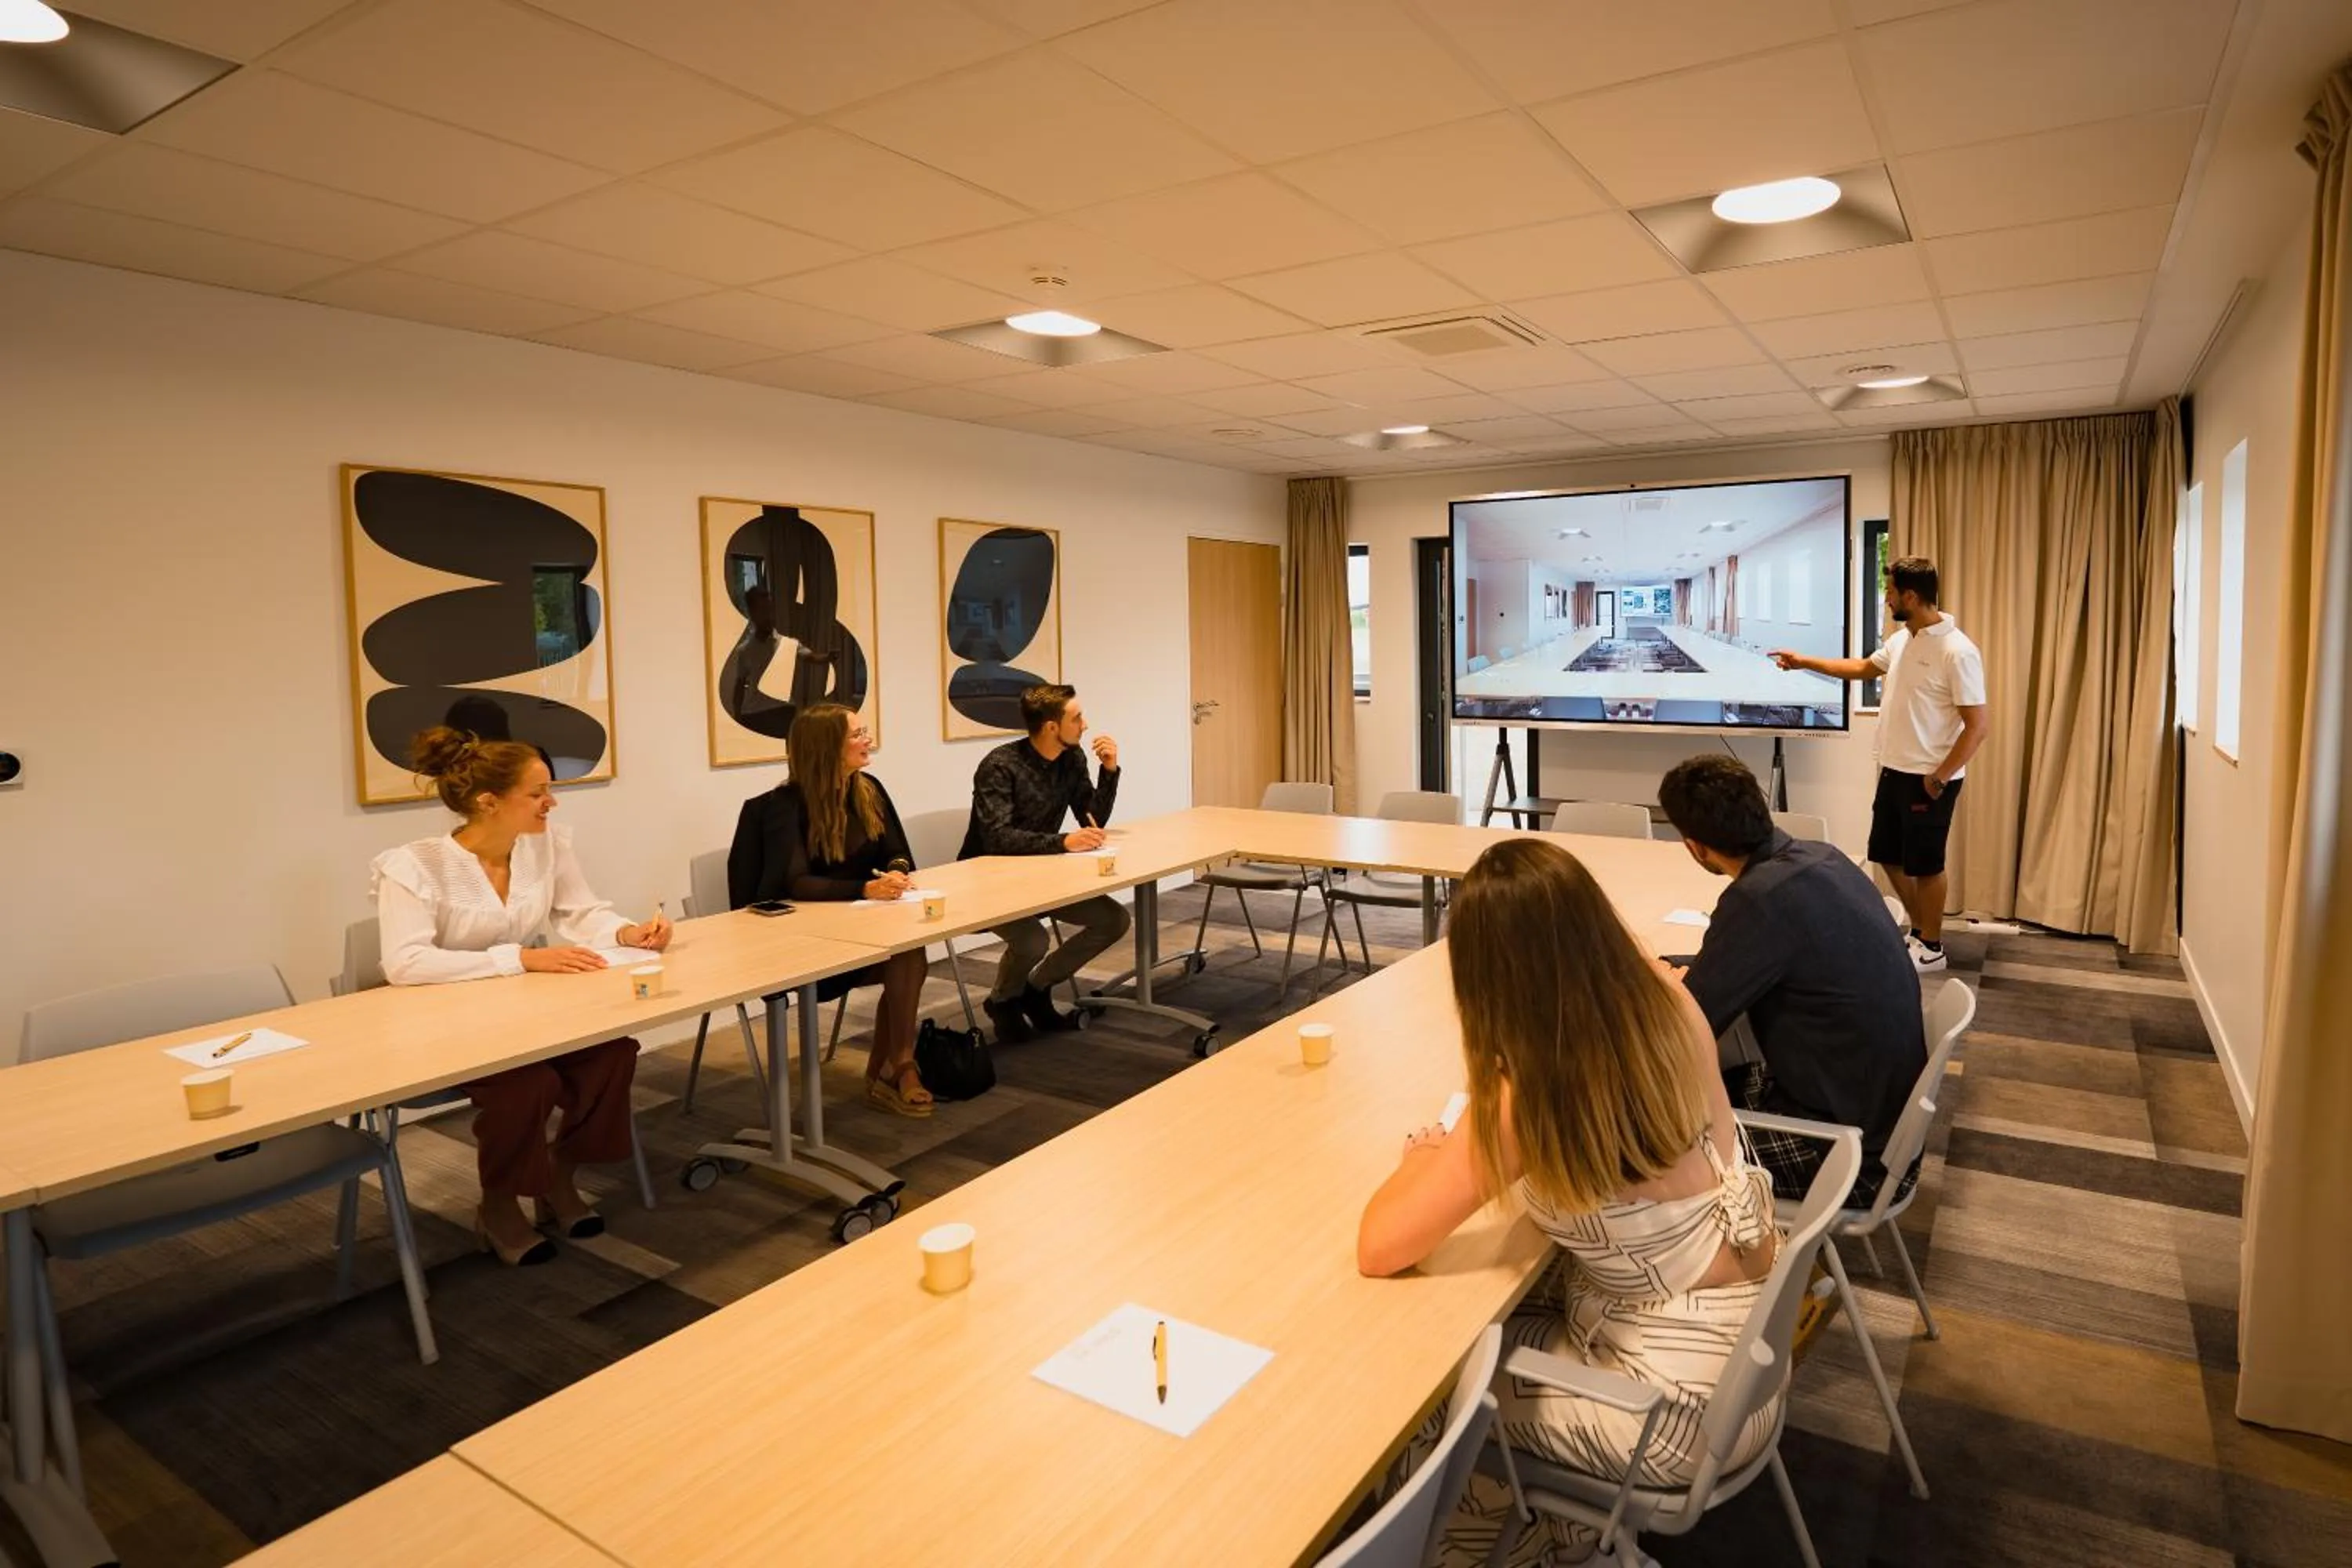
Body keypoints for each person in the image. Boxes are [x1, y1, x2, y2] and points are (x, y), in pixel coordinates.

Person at [1356, 839, 1779, 1566]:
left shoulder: (1535, 1091)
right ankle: (1560, 1537)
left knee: (1419, 1395)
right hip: (1751, 1358)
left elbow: (1381, 1246)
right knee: (1495, 1319)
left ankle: (1497, 1552)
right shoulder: (1669, 1002)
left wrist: (1423, 1157)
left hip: (1677, 1416)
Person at [372, 727, 671, 1267]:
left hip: (525, 1014)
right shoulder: (413, 867)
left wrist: (629, 933)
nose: (551, 803)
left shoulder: (546, 846)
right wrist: (521, 958)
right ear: (489, 802)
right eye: (537, 793)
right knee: (527, 1084)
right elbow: (406, 963)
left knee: (611, 1056)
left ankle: (560, 1174)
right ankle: (499, 1204)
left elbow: (580, 913)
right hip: (443, 1025)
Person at [1657, 754, 1926, 1207]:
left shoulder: (1758, 900)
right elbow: (1749, 960)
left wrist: (1656, 980)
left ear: (1695, 847)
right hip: (1883, 1126)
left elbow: (1684, 1027)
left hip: (1847, 1155)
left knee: (1643, 1147)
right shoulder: (1823, 857)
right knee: (1706, 1083)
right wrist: (1677, 969)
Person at [1769, 556, 1988, 972]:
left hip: (1929, 777)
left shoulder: (1958, 652)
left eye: (1890, 592)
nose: (1887, 599)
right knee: (1886, 854)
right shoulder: (1904, 639)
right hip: (1894, 769)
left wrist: (1940, 778)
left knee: (1927, 864)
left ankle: (1933, 947)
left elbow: (1978, 727)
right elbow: (1863, 668)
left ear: (1911, 596)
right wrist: (1803, 662)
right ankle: (1920, 931)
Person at [728, 704, 935, 1117]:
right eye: (857, 734)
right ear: (826, 748)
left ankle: (898, 1066)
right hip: (797, 946)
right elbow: (796, 883)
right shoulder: (782, 807)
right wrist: (865, 889)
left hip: (861, 932)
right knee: (905, 958)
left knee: (909, 953)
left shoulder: (868, 789)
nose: (868, 740)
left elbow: (898, 852)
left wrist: (896, 873)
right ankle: (893, 1071)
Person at [958, 682, 1128, 1044]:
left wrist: (1109, 771)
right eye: (1077, 718)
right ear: (1052, 727)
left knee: (1114, 920)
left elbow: (1091, 819)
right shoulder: (1000, 766)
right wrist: (1062, 842)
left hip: (1043, 874)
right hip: (989, 881)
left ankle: (1036, 987)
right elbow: (997, 838)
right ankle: (1003, 1001)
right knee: (1034, 940)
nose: (1085, 725)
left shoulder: (1072, 758)